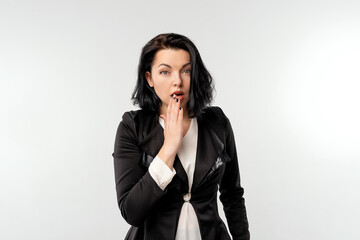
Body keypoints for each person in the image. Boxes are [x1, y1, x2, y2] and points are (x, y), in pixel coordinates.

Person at [113, 33, 250, 240]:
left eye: (186, 70)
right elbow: (132, 211)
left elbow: (232, 195)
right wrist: (169, 146)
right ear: (149, 78)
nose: (177, 81)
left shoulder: (218, 123)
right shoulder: (132, 127)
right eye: (165, 72)